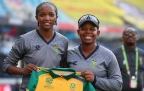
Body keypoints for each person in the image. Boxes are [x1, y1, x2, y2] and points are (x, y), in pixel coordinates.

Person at [2, 2, 68, 91]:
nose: (47, 18)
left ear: (56, 18)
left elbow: (64, 68)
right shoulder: (25, 39)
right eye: (42, 15)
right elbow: (6, 66)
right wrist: (23, 71)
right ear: (36, 18)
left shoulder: (63, 41)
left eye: (51, 15)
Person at [67, 14, 123, 91]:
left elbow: (118, 85)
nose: (88, 32)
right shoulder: (69, 54)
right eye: (83, 29)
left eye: (92, 29)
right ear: (78, 32)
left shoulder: (108, 55)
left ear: (98, 33)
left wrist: (95, 80)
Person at [112, 27, 144, 91]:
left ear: (137, 37)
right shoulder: (114, 54)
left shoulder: (142, 54)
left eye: (133, 33)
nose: (130, 35)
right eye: (126, 33)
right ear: (122, 38)